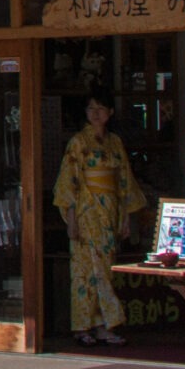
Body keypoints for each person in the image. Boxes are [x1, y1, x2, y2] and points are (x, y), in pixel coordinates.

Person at [52, 87, 147, 347]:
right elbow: (68, 181)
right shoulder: (79, 143)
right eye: (91, 109)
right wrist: (71, 217)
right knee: (85, 271)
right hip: (85, 210)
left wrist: (126, 217)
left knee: (104, 268)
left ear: (110, 112)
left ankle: (101, 324)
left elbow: (124, 180)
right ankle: (88, 325)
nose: (95, 114)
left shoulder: (115, 142)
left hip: (109, 211)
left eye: (100, 109)